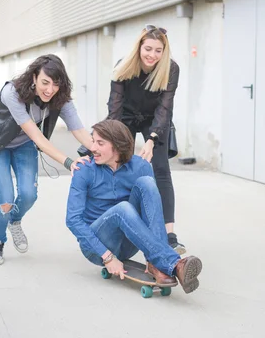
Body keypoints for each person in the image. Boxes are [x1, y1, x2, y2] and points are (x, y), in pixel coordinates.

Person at [0, 54, 93, 266]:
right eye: (45, 82)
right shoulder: (11, 93)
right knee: (6, 197)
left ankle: (14, 220)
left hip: (22, 144)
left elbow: (78, 129)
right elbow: (38, 138)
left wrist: (101, 148)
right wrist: (69, 162)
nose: (50, 90)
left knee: (29, 194)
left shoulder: (61, 98)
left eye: (56, 84)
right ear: (34, 77)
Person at [66, 120, 202, 293]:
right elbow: (73, 220)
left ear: (117, 146)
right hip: (96, 246)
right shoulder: (84, 169)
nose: (92, 148)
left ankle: (156, 263)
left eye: (100, 143)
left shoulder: (141, 166)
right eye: (93, 141)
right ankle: (174, 264)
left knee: (147, 183)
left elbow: (150, 211)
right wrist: (107, 257)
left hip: (130, 243)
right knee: (122, 209)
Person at [106, 24, 186, 254]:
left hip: (155, 120)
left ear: (164, 51)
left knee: (161, 169)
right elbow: (114, 107)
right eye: (148, 48)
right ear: (139, 46)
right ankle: (118, 225)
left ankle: (169, 235)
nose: (152, 55)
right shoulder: (123, 66)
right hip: (126, 117)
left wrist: (152, 139)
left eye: (158, 50)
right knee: (121, 167)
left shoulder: (171, 69)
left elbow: (165, 107)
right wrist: (116, 140)